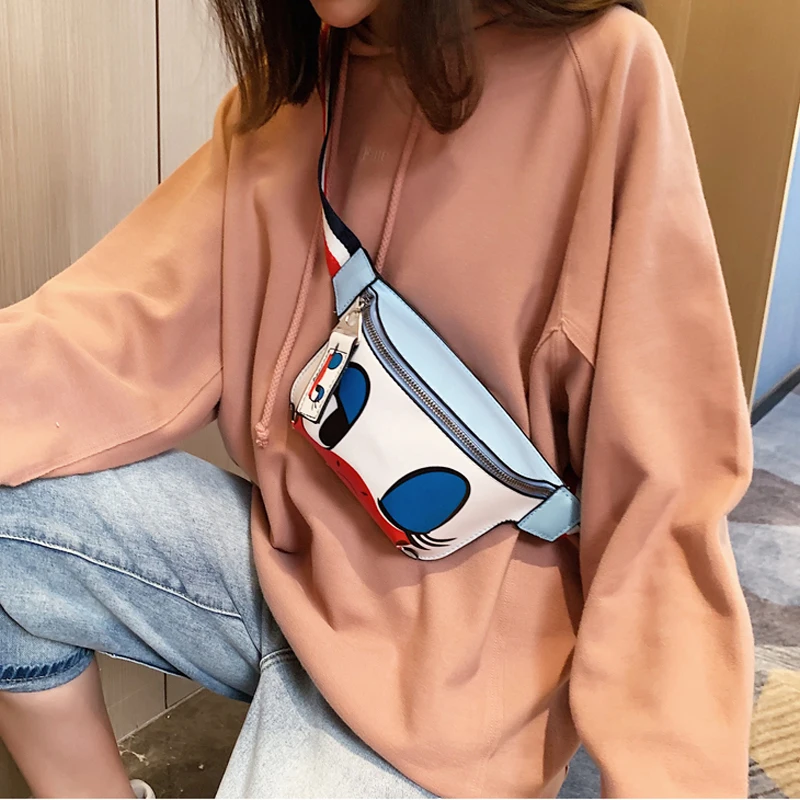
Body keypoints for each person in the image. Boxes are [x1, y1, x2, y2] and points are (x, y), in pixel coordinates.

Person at [0, 0, 755, 796]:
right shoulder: (295, 90)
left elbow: (663, 494)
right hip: (282, 574)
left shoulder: (602, 74)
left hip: (460, 686)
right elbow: (116, 325)